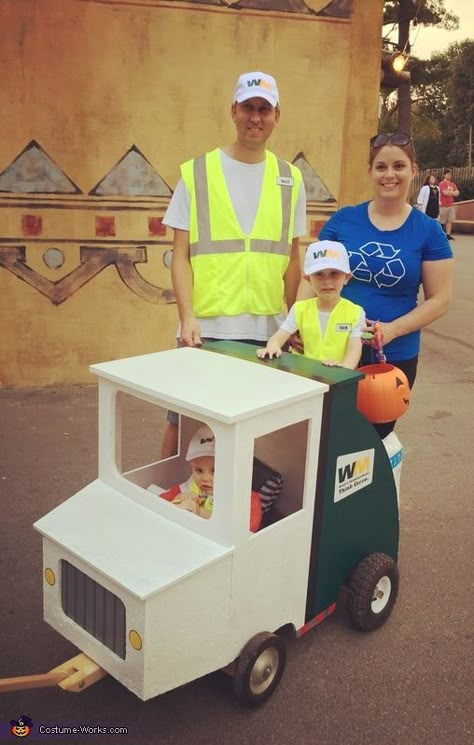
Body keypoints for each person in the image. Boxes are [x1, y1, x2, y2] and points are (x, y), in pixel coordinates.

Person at [161, 70, 307, 457]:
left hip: (267, 329)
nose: (255, 117)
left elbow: (294, 258)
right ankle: (172, 501)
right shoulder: (196, 173)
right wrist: (187, 316)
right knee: (187, 429)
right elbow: (180, 256)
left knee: (256, 435)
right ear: (233, 110)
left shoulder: (290, 179)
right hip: (207, 326)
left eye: (264, 109)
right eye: (248, 107)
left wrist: (294, 320)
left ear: (277, 115)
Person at [296, 132, 453, 438]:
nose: (389, 175)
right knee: (321, 438)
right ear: (370, 171)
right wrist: (300, 323)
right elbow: (311, 276)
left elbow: (440, 300)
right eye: (381, 167)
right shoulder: (344, 221)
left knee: (369, 442)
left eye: (399, 166)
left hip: (392, 358)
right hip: (330, 349)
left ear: (414, 170)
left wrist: (392, 329)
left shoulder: (429, 231)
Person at [257, 240, 365, 368]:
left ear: (346, 277)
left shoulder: (356, 313)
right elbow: (278, 337)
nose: (327, 281)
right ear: (308, 279)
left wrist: (343, 370)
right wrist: (272, 347)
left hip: (340, 380)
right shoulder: (299, 309)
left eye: (334, 274)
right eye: (319, 274)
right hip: (304, 378)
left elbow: (354, 350)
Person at [160, 425, 263, 531]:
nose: (205, 478)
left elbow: (247, 528)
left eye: (214, 471)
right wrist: (178, 499)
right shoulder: (188, 488)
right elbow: (158, 503)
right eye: (198, 470)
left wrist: (200, 512)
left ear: (234, 471)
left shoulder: (245, 498)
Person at [438, 169, 459, 240]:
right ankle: (441, 235)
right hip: (443, 205)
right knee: (442, 221)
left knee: (450, 220)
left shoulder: (452, 184)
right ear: (444, 175)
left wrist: (450, 192)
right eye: (448, 174)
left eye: (450, 174)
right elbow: (444, 193)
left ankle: (448, 234)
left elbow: (457, 193)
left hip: (451, 205)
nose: (449, 176)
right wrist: (453, 193)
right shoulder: (442, 183)